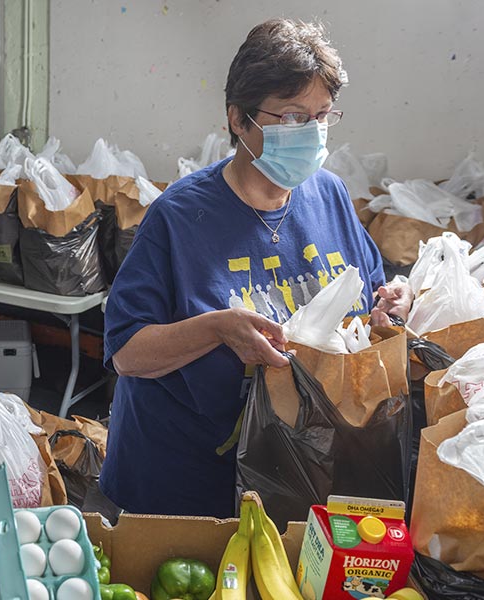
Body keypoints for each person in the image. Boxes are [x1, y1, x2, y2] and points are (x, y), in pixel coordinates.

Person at [101, 19, 413, 517]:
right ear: (238, 119)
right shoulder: (181, 216)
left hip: (297, 474)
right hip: (186, 481)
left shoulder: (328, 194)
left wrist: (395, 300)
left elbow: (369, 295)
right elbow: (128, 353)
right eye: (290, 117)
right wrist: (216, 329)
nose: (309, 133)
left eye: (321, 116)